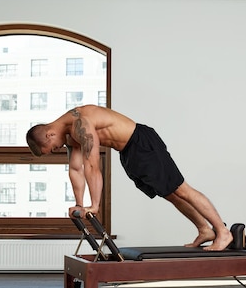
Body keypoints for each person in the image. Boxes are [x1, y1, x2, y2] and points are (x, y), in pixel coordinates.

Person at [26, 104, 233, 251]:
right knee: (170, 194)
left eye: (50, 149)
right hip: (128, 152)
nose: (55, 150)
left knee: (181, 189)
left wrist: (95, 205)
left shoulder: (80, 123)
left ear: (49, 135)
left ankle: (223, 231)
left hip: (141, 142)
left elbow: (92, 165)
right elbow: (76, 170)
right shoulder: (70, 137)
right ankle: (204, 229)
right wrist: (79, 204)